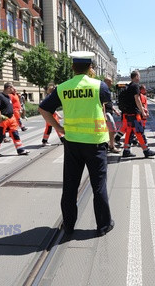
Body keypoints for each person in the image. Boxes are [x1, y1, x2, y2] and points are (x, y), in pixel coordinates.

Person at [38, 51, 114, 237]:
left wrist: (59, 127)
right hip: (95, 143)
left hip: (72, 143)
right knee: (99, 186)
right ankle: (103, 225)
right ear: (90, 68)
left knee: (70, 186)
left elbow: (43, 109)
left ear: (72, 67)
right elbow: (106, 104)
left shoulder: (63, 88)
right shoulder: (99, 86)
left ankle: (69, 225)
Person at [120, 70, 155, 158]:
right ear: (136, 76)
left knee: (129, 132)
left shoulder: (128, 86)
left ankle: (126, 150)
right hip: (135, 114)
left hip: (129, 114)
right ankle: (146, 150)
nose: (140, 78)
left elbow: (132, 101)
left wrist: (143, 108)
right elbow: (137, 99)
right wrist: (143, 112)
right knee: (140, 131)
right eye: (139, 76)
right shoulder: (135, 85)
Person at [0, 83, 29, 157]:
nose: (13, 89)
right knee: (0, 136)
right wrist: (0, 118)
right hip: (4, 119)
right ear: (8, 88)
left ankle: (20, 150)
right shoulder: (0, 96)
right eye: (12, 88)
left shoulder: (8, 96)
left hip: (11, 118)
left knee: (15, 134)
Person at [103, 77, 121, 153]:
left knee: (108, 130)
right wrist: (104, 114)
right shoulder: (103, 90)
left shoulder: (107, 90)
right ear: (106, 82)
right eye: (110, 82)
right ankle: (112, 146)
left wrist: (115, 110)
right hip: (106, 112)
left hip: (109, 112)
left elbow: (109, 103)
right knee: (112, 129)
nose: (112, 83)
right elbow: (102, 103)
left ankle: (109, 145)